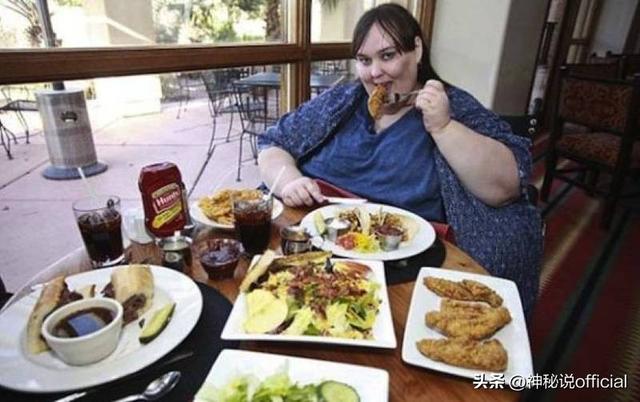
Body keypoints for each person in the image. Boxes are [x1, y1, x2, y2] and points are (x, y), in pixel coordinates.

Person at [257, 3, 542, 316]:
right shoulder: (343, 100)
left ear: (417, 50)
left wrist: (443, 127)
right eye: (364, 60)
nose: (374, 72)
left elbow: (506, 186)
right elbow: (273, 143)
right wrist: (290, 182)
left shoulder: (452, 106)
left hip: (407, 266)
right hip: (314, 242)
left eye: (388, 55)